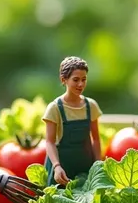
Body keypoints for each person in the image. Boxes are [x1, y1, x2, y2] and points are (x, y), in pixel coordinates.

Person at [42, 56, 102, 186]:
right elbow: (49, 142)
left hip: (85, 164)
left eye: (84, 79)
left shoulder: (91, 106)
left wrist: (98, 164)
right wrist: (57, 167)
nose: (80, 84)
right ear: (64, 80)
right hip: (62, 167)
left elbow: (96, 139)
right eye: (76, 80)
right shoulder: (55, 108)